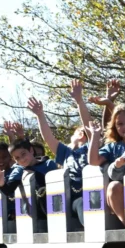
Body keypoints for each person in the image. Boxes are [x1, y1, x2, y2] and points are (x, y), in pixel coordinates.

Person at [25, 96, 89, 226]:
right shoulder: (66, 152)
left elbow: (89, 127)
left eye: (74, 133)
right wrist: (40, 115)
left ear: (81, 134)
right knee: (82, 203)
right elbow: (49, 138)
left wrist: (79, 101)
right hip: (73, 198)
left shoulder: (91, 147)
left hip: (93, 192)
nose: (71, 136)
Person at [86, 103, 125, 222]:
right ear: (115, 127)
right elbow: (93, 160)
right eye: (120, 124)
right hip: (123, 195)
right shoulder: (113, 147)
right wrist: (95, 135)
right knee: (114, 186)